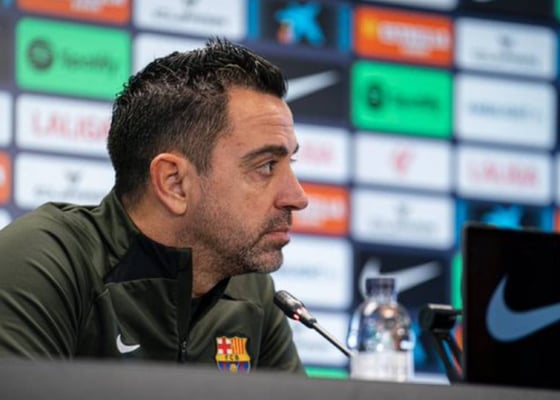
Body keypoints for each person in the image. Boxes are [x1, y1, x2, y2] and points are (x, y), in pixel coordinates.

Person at [0, 38, 309, 373]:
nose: (298, 197)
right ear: (174, 183)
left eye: (289, 162)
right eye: (266, 166)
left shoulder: (253, 294)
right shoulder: (45, 262)